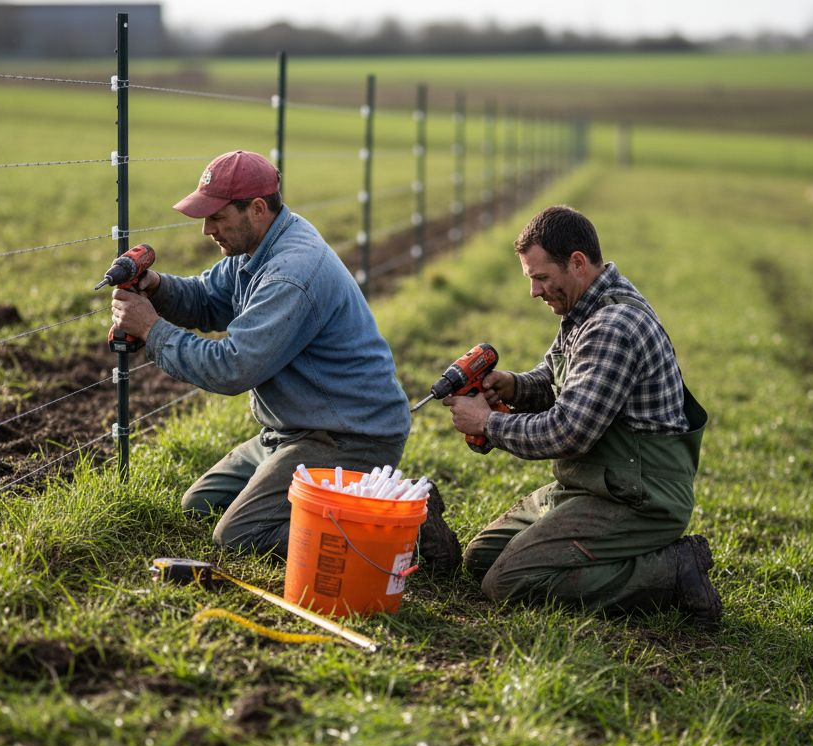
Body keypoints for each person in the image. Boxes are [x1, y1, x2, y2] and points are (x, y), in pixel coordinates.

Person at [111, 149, 458, 567]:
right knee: (200, 506)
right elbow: (206, 299)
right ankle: (337, 503)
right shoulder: (256, 249)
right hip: (290, 431)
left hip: (347, 434)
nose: (206, 230)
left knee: (240, 534)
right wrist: (157, 286)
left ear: (256, 209)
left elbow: (233, 367)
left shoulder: (291, 273)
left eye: (217, 217)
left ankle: (407, 532)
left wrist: (151, 330)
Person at [443, 204, 720, 624]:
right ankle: (606, 561)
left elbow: (568, 431)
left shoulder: (612, 326)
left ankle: (672, 570)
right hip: (594, 481)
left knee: (506, 583)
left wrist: (486, 423)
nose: (534, 291)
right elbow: (555, 380)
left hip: (638, 495)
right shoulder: (582, 309)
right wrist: (511, 385)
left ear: (577, 262)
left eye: (540, 278)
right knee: (482, 560)